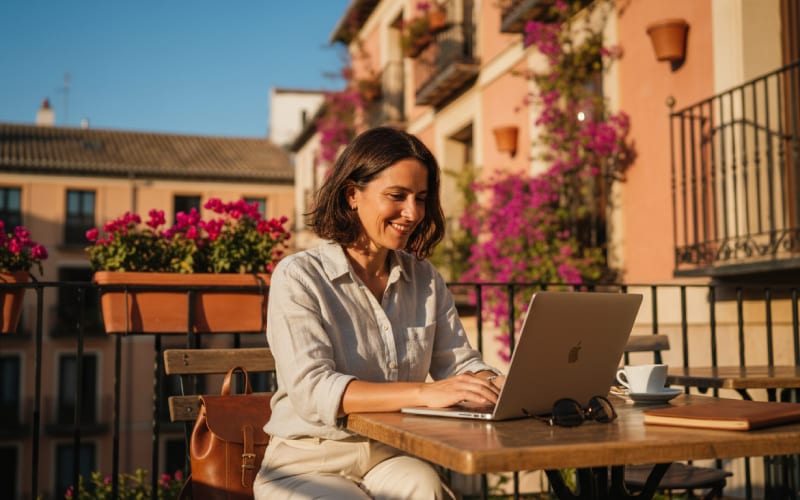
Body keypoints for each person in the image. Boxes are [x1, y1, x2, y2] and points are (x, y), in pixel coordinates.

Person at [254, 127, 505, 500]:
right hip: (308, 461)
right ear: (352, 194)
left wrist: (497, 384)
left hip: (389, 455)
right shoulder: (299, 276)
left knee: (426, 487)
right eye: (397, 196)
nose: (413, 213)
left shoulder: (425, 279)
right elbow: (314, 389)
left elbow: (458, 364)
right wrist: (426, 392)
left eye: (421, 198)